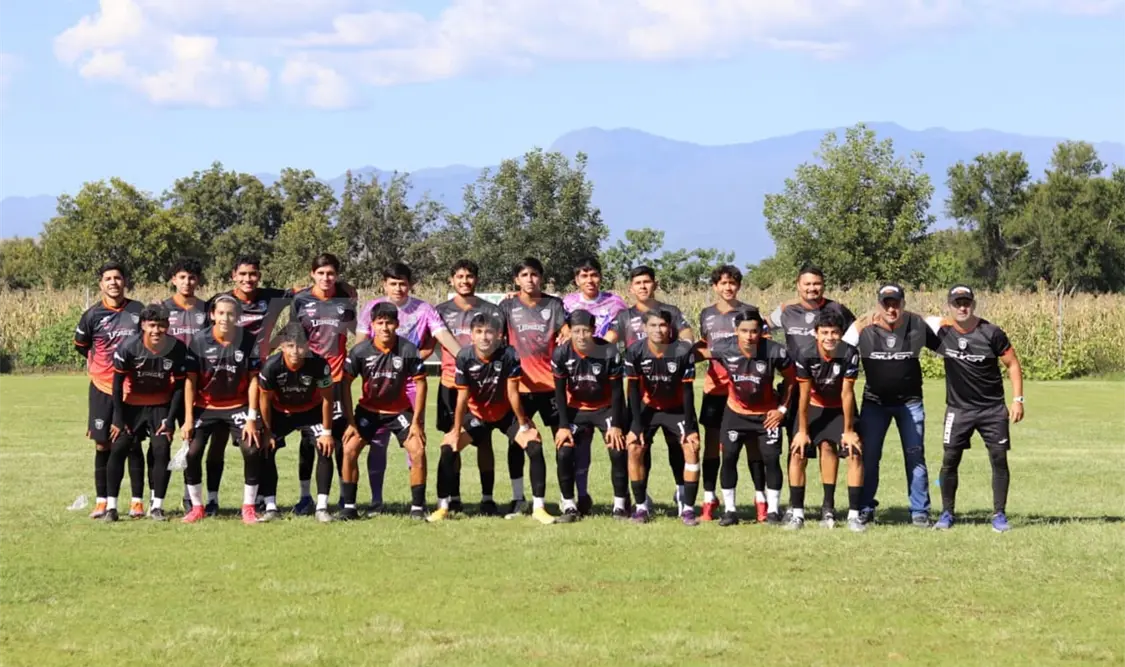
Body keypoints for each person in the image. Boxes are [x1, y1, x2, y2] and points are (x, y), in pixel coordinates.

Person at [355, 262, 460, 515]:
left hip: (411, 386)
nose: (398, 288)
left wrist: (467, 359)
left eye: (403, 283)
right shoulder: (371, 308)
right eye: (393, 283)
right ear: (384, 284)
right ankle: (376, 501)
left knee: (414, 444)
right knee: (376, 443)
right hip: (378, 385)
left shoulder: (424, 309)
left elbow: (443, 337)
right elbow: (359, 347)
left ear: (410, 285)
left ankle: (417, 503)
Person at [192, 255, 289, 515]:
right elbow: (207, 341)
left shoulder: (270, 297)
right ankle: (205, 499)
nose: (248, 279)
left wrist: (342, 289)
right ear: (233, 275)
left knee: (263, 440)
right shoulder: (220, 302)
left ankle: (263, 501)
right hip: (222, 384)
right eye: (243, 274)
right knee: (213, 446)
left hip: (256, 378)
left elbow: (302, 295)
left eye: (253, 274)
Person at [430, 313, 549, 524]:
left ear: (498, 336)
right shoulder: (465, 357)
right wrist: (456, 431)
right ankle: (443, 507)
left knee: (535, 445)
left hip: (504, 414)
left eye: (489, 332)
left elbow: (513, 393)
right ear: (472, 336)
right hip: (477, 415)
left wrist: (523, 424)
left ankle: (539, 508)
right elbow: (462, 398)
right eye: (479, 332)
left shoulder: (509, 354)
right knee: (448, 448)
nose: (484, 337)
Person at [927, 286, 1025, 532]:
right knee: (950, 459)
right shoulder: (943, 332)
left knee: (998, 459)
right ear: (949, 306)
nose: (962, 307)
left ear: (973, 304)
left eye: (966, 302)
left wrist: (1018, 400)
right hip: (958, 410)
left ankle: (999, 515)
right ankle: (947, 513)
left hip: (992, 410)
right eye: (957, 303)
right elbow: (913, 322)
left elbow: (1012, 364)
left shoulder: (991, 332)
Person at [843, 283, 940, 527]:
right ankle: (865, 507)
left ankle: (919, 511)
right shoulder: (865, 329)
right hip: (875, 403)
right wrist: (856, 326)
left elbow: (946, 348)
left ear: (903, 304)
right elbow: (837, 351)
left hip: (910, 403)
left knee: (915, 456)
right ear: (879, 304)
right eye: (886, 303)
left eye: (896, 303)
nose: (891, 308)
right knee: (870, 456)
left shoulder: (916, 325)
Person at [694, 309, 794, 526]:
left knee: (771, 459)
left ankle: (774, 510)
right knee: (729, 458)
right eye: (744, 331)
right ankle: (730, 511)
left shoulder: (775, 351)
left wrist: (781, 410)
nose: (749, 336)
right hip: (735, 413)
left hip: (766, 416)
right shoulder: (724, 346)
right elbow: (697, 354)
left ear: (762, 332)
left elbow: (792, 380)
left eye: (754, 331)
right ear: (736, 331)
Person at [339, 303, 429, 521]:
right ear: (372, 326)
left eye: (389, 323)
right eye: (380, 323)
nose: (385, 327)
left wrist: (416, 422)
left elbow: (422, 384)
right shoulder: (360, 351)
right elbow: (344, 385)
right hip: (369, 411)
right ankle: (349, 507)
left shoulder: (407, 349)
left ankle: (417, 508)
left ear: (397, 324)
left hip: (398, 411)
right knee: (349, 449)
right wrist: (350, 422)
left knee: (417, 450)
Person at [181, 295, 263, 524]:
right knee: (192, 453)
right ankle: (197, 507)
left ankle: (249, 507)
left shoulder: (248, 340)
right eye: (221, 313)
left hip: (237, 406)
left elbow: (254, 381)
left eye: (230, 314)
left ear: (238, 317)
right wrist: (188, 419)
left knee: (251, 449)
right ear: (212, 315)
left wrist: (252, 418)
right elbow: (190, 382)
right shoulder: (199, 340)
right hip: (204, 406)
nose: (225, 318)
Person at [498, 258, 569, 517]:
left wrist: (568, 331)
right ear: (517, 279)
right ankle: (519, 499)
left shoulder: (555, 304)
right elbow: (497, 339)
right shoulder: (507, 306)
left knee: (562, 442)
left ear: (541, 278)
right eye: (524, 275)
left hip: (551, 386)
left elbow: (567, 329)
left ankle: (566, 498)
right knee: (518, 444)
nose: (530, 279)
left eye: (535, 274)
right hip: (520, 387)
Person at [697, 265, 769, 521]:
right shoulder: (706, 314)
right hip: (715, 388)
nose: (728, 288)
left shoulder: (750, 313)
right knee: (713, 446)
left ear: (739, 286)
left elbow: (765, 347)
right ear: (715, 287)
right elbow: (704, 347)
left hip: (746, 389)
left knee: (753, 445)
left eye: (733, 283)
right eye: (723, 283)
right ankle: (709, 498)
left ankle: (760, 498)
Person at [434, 259, 506, 515]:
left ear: (476, 279)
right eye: (460, 276)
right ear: (452, 279)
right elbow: (424, 341)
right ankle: (453, 497)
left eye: (470, 276)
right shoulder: (439, 310)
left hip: (482, 386)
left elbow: (503, 344)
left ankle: (487, 498)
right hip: (450, 384)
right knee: (452, 440)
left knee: (483, 440)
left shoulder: (492, 310)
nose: (465, 281)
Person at [287, 253, 357, 515]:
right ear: (312, 274)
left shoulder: (345, 299)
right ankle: (305, 497)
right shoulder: (301, 299)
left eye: (331, 273)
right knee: (308, 440)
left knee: (336, 440)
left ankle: (339, 497)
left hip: (336, 379)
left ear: (337, 275)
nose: (326, 278)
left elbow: (353, 331)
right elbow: (295, 337)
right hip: (309, 379)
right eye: (321, 273)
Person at [74, 262, 144, 519]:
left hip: (132, 388)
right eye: (108, 278)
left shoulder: (138, 310)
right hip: (102, 387)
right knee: (102, 444)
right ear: (101, 284)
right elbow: (82, 345)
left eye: (117, 277)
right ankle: (102, 501)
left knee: (133, 443)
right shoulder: (92, 315)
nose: (113, 282)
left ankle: (137, 502)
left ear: (125, 282)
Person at [106, 304, 188, 522]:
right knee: (118, 448)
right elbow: (116, 385)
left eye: (161, 326)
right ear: (143, 325)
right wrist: (118, 418)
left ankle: (157, 506)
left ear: (167, 326)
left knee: (161, 450)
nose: (156, 330)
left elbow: (180, 387)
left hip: (161, 406)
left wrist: (170, 420)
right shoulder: (129, 347)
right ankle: (111, 507)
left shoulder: (177, 348)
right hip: (132, 406)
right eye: (151, 325)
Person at [788, 311, 865, 532]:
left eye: (834, 333)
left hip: (840, 408)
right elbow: (802, 395)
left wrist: (849, 430)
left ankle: (850, 514)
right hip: (813, 406)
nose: (829, 337)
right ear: (816, 334)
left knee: (853, 451)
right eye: (824, 333)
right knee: (797, 452)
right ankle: (797, 514)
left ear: (841, 334)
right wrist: (802, 430)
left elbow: (847, 393)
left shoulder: (849, 353)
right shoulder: (805, 353)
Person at [561, 256, 628, 509]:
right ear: (577, 279)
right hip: (577, 381)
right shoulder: (566, 303)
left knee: (616, 445)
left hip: (604, 375)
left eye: (594, 275)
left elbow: (614, 335)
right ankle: (582, 495)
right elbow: (563, 332)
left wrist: (594, 351)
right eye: (584, 276)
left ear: (600, 276)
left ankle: (624, 499)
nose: (589, 280)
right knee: (579, 446)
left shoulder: (615, 303)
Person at [623, 310, 702, 525]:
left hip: (676, 409)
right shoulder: (634, 351)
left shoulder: (683, 351)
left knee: (691, 448)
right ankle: (640, 508)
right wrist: (635, 426)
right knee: (634, 448)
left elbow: (688, 392)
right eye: (653, 325)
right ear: (644, 328)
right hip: (648, 408)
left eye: (663, 325)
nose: (658, 330)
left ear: (670, 328)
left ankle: (687, 509)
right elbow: (632, 390)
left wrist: (690, 427)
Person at [257, 322, 338, 523]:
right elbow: (264, 402)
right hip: (280, 413)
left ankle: (321, 507)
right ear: (282, 346)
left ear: (309, 345)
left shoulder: (319, 365)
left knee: (325, 447)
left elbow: (328, 399)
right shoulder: (271, 366)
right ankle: (270, 506)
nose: (295, 351)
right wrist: (267, 433)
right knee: (265, 448)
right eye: (290, 346)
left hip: (311, 412)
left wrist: (327, 432)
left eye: (300, 345)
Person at [552, 310, 627, 521]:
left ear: (594, 331)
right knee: (564, 451)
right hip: (576, 409)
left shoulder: (609, 351)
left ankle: (620, 506)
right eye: (576, 331)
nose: (581, 336)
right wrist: (563, 425)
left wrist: (616, 424)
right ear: (569, 331)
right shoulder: (561, 353)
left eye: (586, 331)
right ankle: (569, 505)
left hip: (606, 408)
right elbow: (559, 392)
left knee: (617, 449)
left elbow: (617, 391)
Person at [607, 265, 694, 348]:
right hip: (635, 362)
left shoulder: (671, 311)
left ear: (655, 285)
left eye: (646, 282)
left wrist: (686, 344)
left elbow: (685, 331)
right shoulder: (624, 316)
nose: (642, 287)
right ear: (631, 289)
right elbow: (610, 337)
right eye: (638, 283)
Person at [164, 258, 208, 348]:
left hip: (198, 361)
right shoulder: (163, 308)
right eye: (182, 277)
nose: (187, 282)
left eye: (191, 278)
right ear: (174, 280)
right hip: (172, 361)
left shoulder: (206, 309)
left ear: (198, 280)